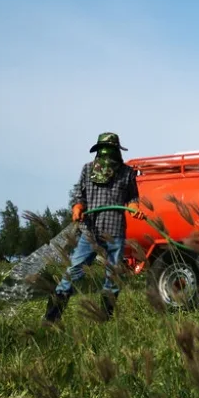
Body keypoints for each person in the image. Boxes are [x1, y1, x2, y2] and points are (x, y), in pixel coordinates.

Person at [43, 132, 146, 324]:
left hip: (115, 234)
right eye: (104, 151)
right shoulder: (87, 170)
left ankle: (104, 319)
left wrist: (134, 208)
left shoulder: (127, 172)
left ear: (117, 152)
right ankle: (51, 319)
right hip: (90, 233)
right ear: (98, 151)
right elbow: (78, 195)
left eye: (111, 151)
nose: (107, 155)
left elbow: (132, 198)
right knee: (73, 272)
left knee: (113, 277)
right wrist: (77, 208)